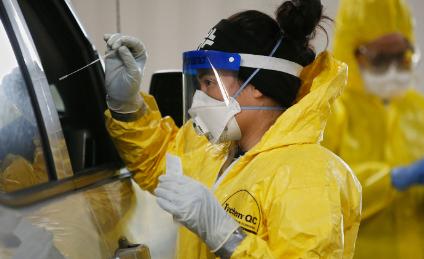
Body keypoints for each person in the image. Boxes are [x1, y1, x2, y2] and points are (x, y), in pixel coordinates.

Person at [104, 0, 362, 258]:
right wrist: (127, 106)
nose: (199, 98)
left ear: (258, 85)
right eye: (199, 84)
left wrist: (227, 238)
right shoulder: (211, 150)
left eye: (209, 82)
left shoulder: (307, 176)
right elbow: (158, 163)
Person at [322, 0, 424, 258]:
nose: (393, 68)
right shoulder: (329, 111)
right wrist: (391, 180)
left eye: (402, 56)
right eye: (380, 58)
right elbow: (319, 193)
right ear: (351, 51)